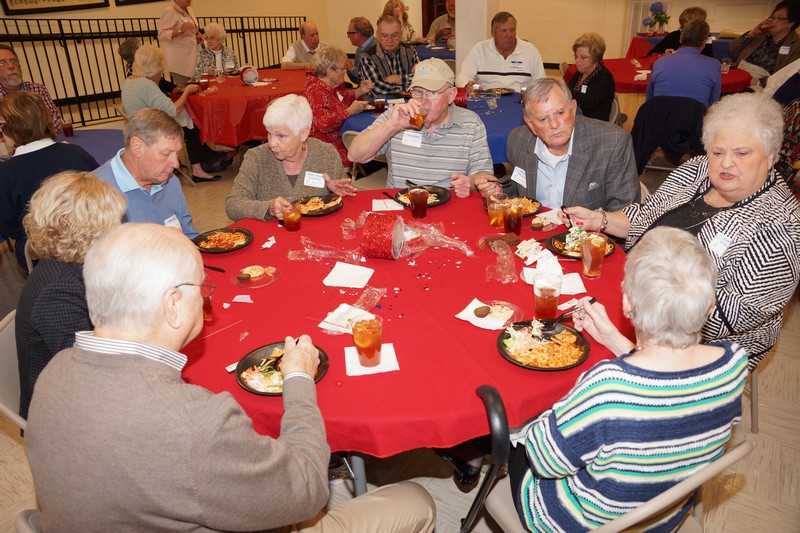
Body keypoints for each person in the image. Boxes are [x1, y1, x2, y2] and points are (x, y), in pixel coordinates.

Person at [24, 222, 437, 532]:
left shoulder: (55, 371)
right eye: (201, 289)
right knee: (418, 501)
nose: (206, 299)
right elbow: (309, 487)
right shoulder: (194, 421)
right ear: (172, 304)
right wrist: (297, 380)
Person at [489, 226, 749, 532]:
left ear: (626, 303)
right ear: (709, 307)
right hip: (666, 516)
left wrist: (542, 420)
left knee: (517, 436)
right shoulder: (734, 362)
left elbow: (545, 461)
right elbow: (670, 386)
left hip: (575, 522)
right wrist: (616, 341)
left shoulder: (608, 388)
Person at [565, 92, 800, 369]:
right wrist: (600, 220)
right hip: (634, 293)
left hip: (700, 339)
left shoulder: (781, 226)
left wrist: (632, 318)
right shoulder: (697, 170)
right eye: (717, 151)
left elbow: (727, 316)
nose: (725, 163)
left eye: (742, 153)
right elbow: (645, 215)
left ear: (770, 156)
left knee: (582, 356)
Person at [15, 171, 125, 422]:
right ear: (91, 231)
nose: (119, 228)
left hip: (82, 383)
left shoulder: (71, 265)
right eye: (114, 221)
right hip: (62, 415)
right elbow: (94, 375)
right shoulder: (57, 291)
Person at [478, 78, 639, 211]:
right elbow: (518, 186)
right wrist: (499, 190)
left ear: (573, 109)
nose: (554, 124)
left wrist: (596, 221)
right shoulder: (518, 140)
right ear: (530, 123)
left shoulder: (612, 143)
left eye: (560, 113)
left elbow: (628, 215)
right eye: (543, 119)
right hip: (532, 240)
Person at [348, 57, 494, 191]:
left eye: (431, 92)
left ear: (451, 95)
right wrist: (392, 126)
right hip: (403, 207)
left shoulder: (471, 123)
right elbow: (355, 155)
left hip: (450, 207)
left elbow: (484, 177)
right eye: (417, 91)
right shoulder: (397, 116)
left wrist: (471, 182)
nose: (423, 100)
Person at [0, 92, 98, 271]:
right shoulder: (76, 153)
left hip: (42, 255)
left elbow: (8, 227)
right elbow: (101, 192)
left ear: (11, 128)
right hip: (91, 240)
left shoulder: (6, 173)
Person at [226, 94, 356, 221]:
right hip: (271, 238)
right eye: (269, 134)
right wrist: (268, 208)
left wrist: (335, 193)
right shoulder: (257, 158)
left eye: (280, 136)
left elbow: (343, 209)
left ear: (303, 134)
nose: (271, 143)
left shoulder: (326, 154)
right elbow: (233, 205)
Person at [122, 44, 221, 183]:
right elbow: (173, 110)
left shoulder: (130, 80)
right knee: (190, 122)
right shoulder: (146, 84)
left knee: (187, 120)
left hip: (137, 127)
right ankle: (198, 169)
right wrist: (187, 92)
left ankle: (205, 156)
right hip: (150, 130)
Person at [94, 108, 199, 238]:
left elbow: (189, 236)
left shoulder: (170, 182)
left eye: (177, 153)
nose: (176, 164)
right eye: (166, 153)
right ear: (137, 147)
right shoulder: (95, 194)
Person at [303, 47, 373, 168]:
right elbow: (323, 124)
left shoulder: (327, 87)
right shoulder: (315, 91)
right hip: (327, 147)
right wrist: (349, 111)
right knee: (368, 149)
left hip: (338, 137)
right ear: (330, 72)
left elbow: (342, 97)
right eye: (343, 68)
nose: (346, 71)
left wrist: (360, 91)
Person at [456, 12, 545, 93]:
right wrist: (467, 84)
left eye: (512, 30)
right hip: (487, 100)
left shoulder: (530, 50)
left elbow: (542, 83)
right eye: (503, 31)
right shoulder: (479, 49)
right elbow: (462, 77)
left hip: (520, 103)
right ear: (493, 33)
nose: (509, 35)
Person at [647, 19, 721, 108]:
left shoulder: (660, 62)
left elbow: (649, 101)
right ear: (705, 42)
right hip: (695, 120)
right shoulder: (714, 65)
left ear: (681, 38)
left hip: (659, 119)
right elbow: (714, 104)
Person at [730, 1, 800, 85]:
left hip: (763, 85)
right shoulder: (760, 35)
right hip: (739, 75)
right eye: (772, 17)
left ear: (791, 23)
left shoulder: (796, 46)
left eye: (779, 18)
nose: (773, 21)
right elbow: (732, 50)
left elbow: (786, 76)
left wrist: (759, 82)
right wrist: (752, 33)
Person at [0, 44, 62, 135]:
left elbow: (55, 120)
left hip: (42, 141)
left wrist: (33, 140)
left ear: (20, 67)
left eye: (13, 61)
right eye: (2, 63)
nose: (11, 66)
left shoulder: (38, 90)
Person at [360, 15, 420, 96]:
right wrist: (407, 86)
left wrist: (398, 79)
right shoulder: (368, 57)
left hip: (409, 104)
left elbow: (421, 79)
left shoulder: (410, 51)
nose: (389, 40)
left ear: (401, 34)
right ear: (377, 35)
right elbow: (376, 88)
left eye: (394, 35)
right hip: (382, 105)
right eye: (384, 36)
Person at [566, 32, 615, 121]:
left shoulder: (604, 78)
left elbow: (587, 101)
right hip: (577, 120)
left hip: (594, 124)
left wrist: (566, 92)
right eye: (576, 56)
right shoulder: (580, 72)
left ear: (596, 58)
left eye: (583, 57)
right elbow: (569, 91)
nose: (577, 61)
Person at [157, 0, 200, 85]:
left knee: (194, 88)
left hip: (191, 56)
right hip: (179, 61)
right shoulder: (169, 11)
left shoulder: (188, 8)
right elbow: (161, 35)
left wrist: (199, 35)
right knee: (184, 90)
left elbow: (192, 29)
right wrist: (180, 30)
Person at [648, 6, 714, 57]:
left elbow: (708, 57)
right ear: (684, 23)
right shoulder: (673, 36)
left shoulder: (705, 35)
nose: (702, 25)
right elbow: (651, 54)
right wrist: (664, 55)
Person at [346, 17, 376, 85]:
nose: (348, 37)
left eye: (349, 33)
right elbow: (358, 80)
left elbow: (370, 79)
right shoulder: (359, 49)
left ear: (358, 35)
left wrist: (351, 68)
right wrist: (348, 68)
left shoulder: (376, 49)